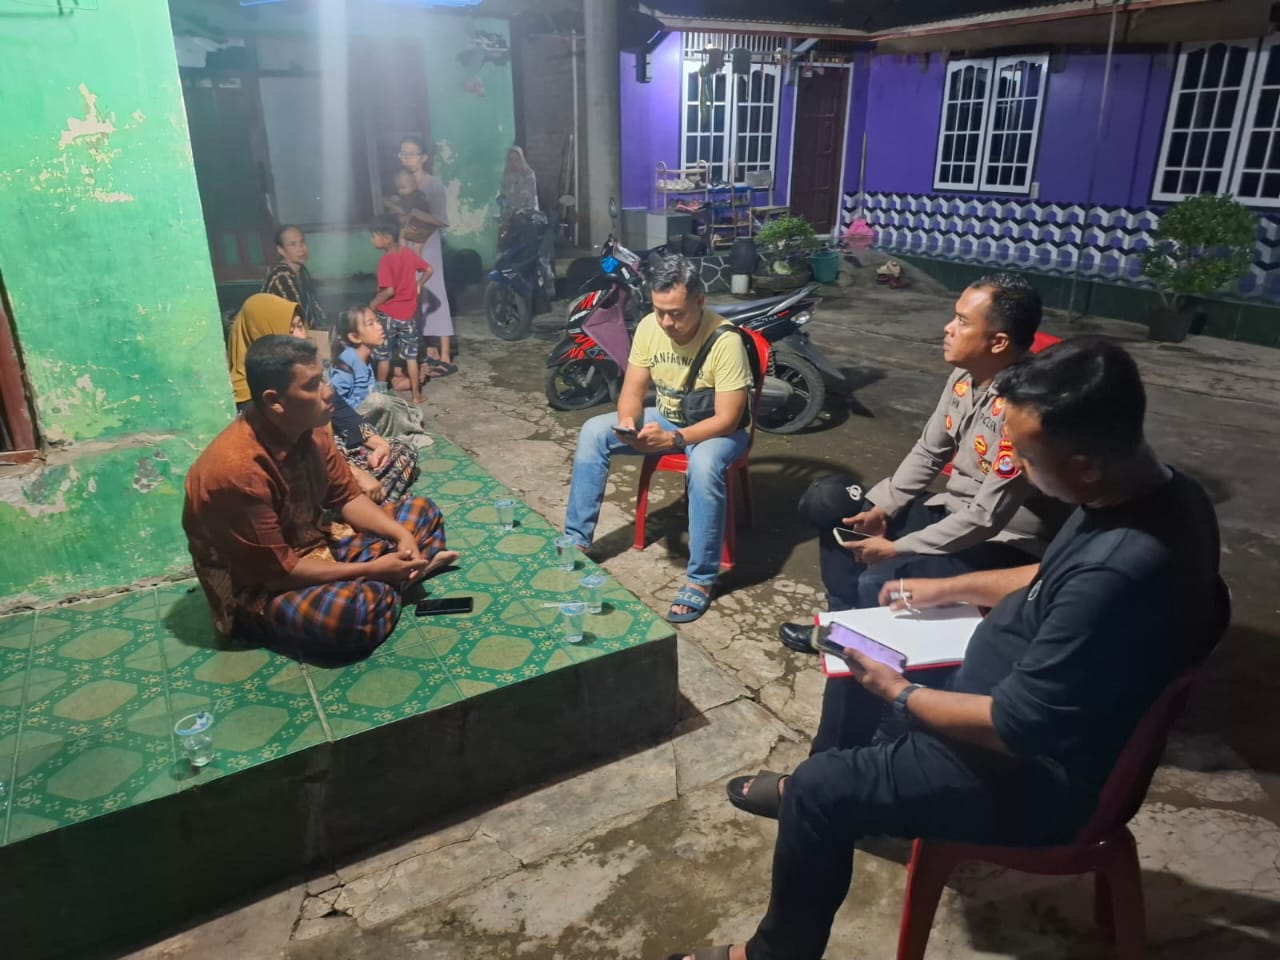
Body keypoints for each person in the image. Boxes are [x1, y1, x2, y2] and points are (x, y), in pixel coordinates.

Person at [673, 338, 1223, 960]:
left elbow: (1013, 726)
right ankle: (821, 795)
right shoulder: (1154, 494)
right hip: (1024, 707)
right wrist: (947, 588)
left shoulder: (1118, 568)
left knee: (830, 774)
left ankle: (775, 945)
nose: (1015, 465)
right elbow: (1046, 577)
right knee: (858, 645)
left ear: (1085, 463)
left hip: (1029, 776)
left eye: (1025, 454)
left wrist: (900, 692)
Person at [777, 273, 1067, 655]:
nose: (948, 328)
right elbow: (930, 451)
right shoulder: (965, 376)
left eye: (962, 321)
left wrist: (898, 548)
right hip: (951, 510)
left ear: (998, 342)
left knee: (880, 581)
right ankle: (842, 630)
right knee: (833, 504)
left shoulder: (1026, 408)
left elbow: (986, 518)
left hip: (1003, 541)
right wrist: (884, 507)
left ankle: (876, 657)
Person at [184, 335, 459, 664]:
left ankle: (390, 580)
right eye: (313, 385)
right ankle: (400, 580)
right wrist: (374, 568)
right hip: (261, 586)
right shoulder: (237, 472)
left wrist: (400, 535)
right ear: (275, 401)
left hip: (316, 544)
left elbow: (346, 497)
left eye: (324, 378)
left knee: (422, 512)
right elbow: (279, 573)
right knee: (347, 615)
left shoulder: (311, 427)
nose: (329, 392)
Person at [562, 255, 753, 623]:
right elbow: (632, 391)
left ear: (700, 301)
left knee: (704, 463)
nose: (666, 322)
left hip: (717, 431)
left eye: (676, 313)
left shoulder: (725, 340)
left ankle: (701, 580)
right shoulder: (650, 327)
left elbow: (728, 418)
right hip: (667, 418)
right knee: (593, 431)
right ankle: (576, 540)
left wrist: (673, 440)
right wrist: (628, 424)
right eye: (659, 310)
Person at [226, 293, 419, 505]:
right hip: (306, 472)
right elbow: (293, 455)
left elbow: (339, 408)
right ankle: (355, 505)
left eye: (300, 325)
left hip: (329, 454)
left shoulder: (305, 369)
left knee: (403, 449)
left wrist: (377, 442)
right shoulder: (254, 399)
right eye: (290, 329)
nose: (301, 336)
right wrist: (352, 472)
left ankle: (363, 501)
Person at [330, 305, 432, 447]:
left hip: (364, 416)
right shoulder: (347, 361)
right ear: (354, 337)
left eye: (377, 321)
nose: (379, 327)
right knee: (380, 401)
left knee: (405, 407)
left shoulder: (367, 357)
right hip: (352, 423)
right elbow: (334, 404)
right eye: (371, 324)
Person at [397, 135, 456, 376]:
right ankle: (428, 350)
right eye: (403, 154)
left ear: (423, 157)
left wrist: (416, 214)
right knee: (414, 297)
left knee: (435, 293)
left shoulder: (433, 185)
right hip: (408, 245)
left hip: (429, 246)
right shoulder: (402, 183)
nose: (406, 158)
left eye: (411, 154)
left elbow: (442, 220)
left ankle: (445, 354)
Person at [369, 215, 431, 405]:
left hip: (388, 315)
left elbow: (389, 290)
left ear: (386, 237)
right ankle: (416, 396)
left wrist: (372, 305)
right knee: (411, 358)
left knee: (383, 356)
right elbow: (429, 269)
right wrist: (418, 284)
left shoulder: (385, 261)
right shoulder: (408, 253)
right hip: (408, 316)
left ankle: (380, 396)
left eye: (374, 236)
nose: (372, 240)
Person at [263, 225, 326, 330]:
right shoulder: (281, 276)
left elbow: (315, 307)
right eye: (293, 244)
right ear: (281, 250)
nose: (301, 249)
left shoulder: (303, 272)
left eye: (302, 242)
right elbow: (297, 317)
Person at [499, 144, 540, 224]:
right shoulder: (506, 175)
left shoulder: (529, 175)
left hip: (526, 216)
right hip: (509, 215)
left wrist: (531, 215)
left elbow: (532, 199)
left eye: (516, 159)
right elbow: (502, 196)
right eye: (510, 159)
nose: (513, 162)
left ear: (521, 160)